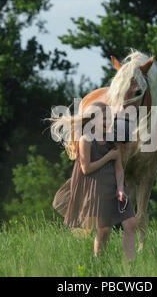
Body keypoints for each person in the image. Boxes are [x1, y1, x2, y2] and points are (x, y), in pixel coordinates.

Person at [51, 101, 137, 261]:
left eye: (109, 119)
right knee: (104, 231)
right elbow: (86, 169)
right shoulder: (86, 140)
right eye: (104, 119)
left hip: (115, 187)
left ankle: (130, 268)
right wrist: (108, 157)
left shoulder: (113, 140)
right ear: (93, 120)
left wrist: (120, 187)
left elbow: (119, 168)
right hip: (96, 188)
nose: (108, 122)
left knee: (131, 224)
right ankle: (99, 265)